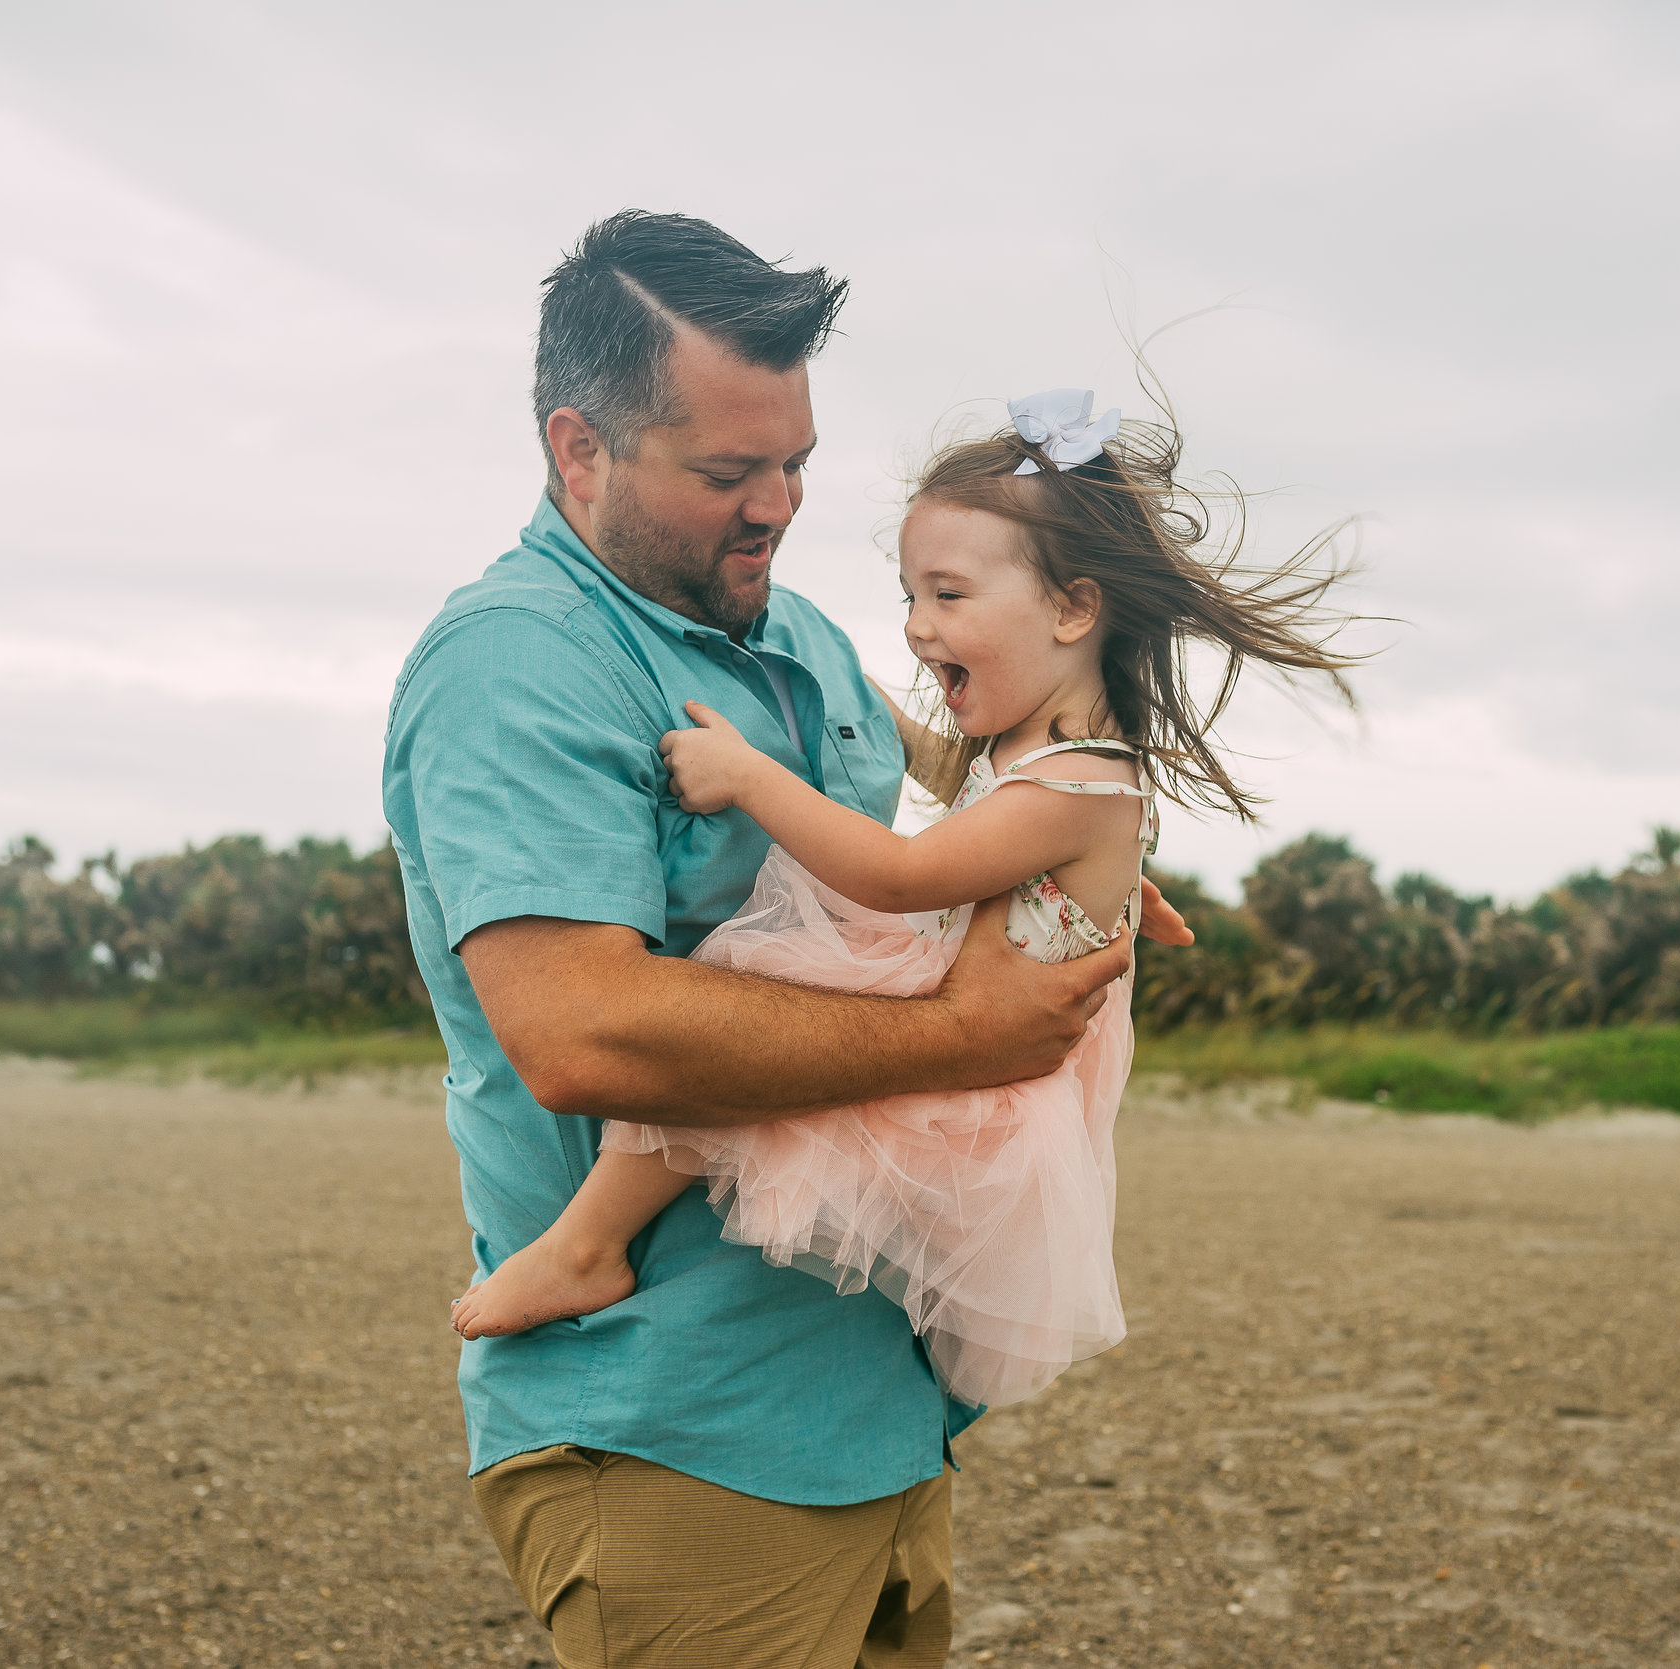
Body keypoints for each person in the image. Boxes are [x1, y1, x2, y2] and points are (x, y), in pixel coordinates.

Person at [382, 213, 1196, 1669]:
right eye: (726, 473)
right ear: (581, 451)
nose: (778, 506)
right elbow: (584, 1034)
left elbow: (961, 802)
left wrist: (1074, 861)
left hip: (878, 1416)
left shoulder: (805, 635)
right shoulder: (518, 661)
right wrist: (965, 1030)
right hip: (678, 1428)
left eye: (796, 462)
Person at [449, 388, 1361, 1417]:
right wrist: (850, 698)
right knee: (751, 1012)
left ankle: (585, 1244)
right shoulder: (1049, 759)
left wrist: (752, 776)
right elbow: (954, 778)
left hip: (985, 1075)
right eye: (908, 601)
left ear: (1071, 608)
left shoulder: (1078, 781)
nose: (922, 629)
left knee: (751, 989)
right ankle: (592, 1244)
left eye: (948, 597)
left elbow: (900, 877)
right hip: (962, 989)